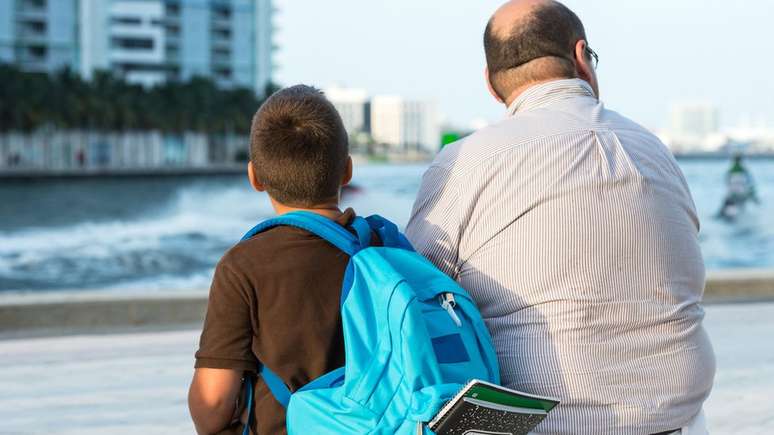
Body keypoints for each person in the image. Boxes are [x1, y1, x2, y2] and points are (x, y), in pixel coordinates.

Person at [405, 1, 715, 434]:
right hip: (677, 419)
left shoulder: (466, 162)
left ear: (492, 86)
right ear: (582, 58)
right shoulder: (652, 149)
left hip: (536, 424)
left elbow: (417, 293)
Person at [188, 85, 357, 435]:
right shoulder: (385, 247)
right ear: (347, 171)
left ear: (255, 178)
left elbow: (213, 405)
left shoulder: (243, 265)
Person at [718, 153, 758, 219]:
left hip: (733, 193)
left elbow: (727, 182)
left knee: (727, 205)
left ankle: (725, 216)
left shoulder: (731, 170)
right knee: (741, 207)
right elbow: (750, 182)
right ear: (741, 160)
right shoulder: (744, 170)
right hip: (742, 193)